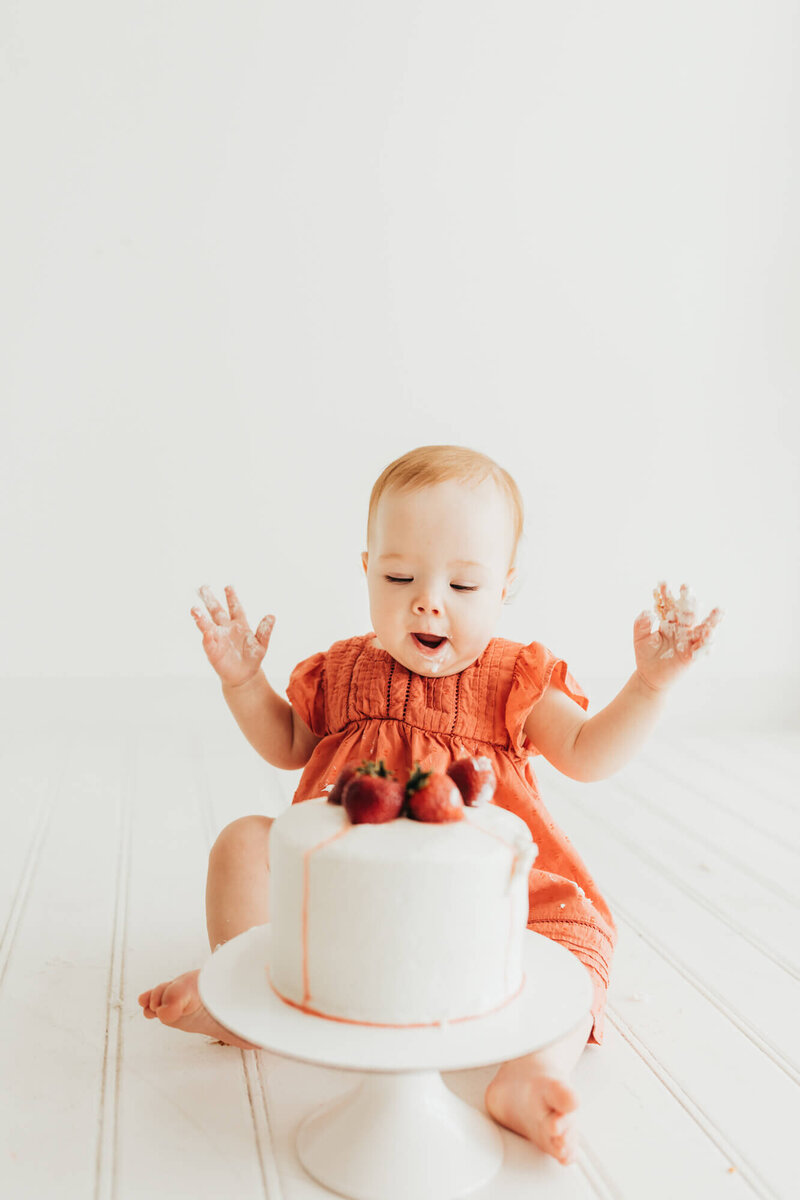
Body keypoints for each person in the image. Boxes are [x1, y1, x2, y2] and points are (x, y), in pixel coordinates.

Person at [138, 444, 721, 1165]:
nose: (428, 598)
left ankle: (531, 1074)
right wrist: (242, 681)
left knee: (575, 936)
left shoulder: (514, 677)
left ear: (505, 588)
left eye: (464, 585)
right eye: (399, 575)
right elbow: (289, 741)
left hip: (480, 899)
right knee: (243, 842)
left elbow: (587, 753)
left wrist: (650, 686)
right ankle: (241, 992)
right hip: (343, 888)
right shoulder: (346, 669)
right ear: (366, 571)